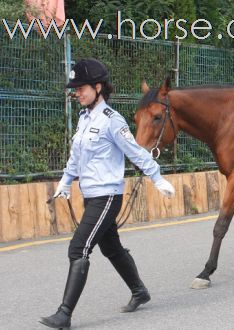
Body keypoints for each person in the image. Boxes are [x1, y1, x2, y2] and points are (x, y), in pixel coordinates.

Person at [39, 58, 175, 329]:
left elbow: (135, 151)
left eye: (81, 88)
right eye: (75, 89)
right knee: (111, 247)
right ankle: (140, 291)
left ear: (98, 87)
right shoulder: (83, 118)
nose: (77, 92)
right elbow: (75, 157)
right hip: (90, 195)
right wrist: (65, 182)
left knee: (79, 248)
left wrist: (157, 178)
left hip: (108, 196)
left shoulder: (113, 121)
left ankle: (64, 313)